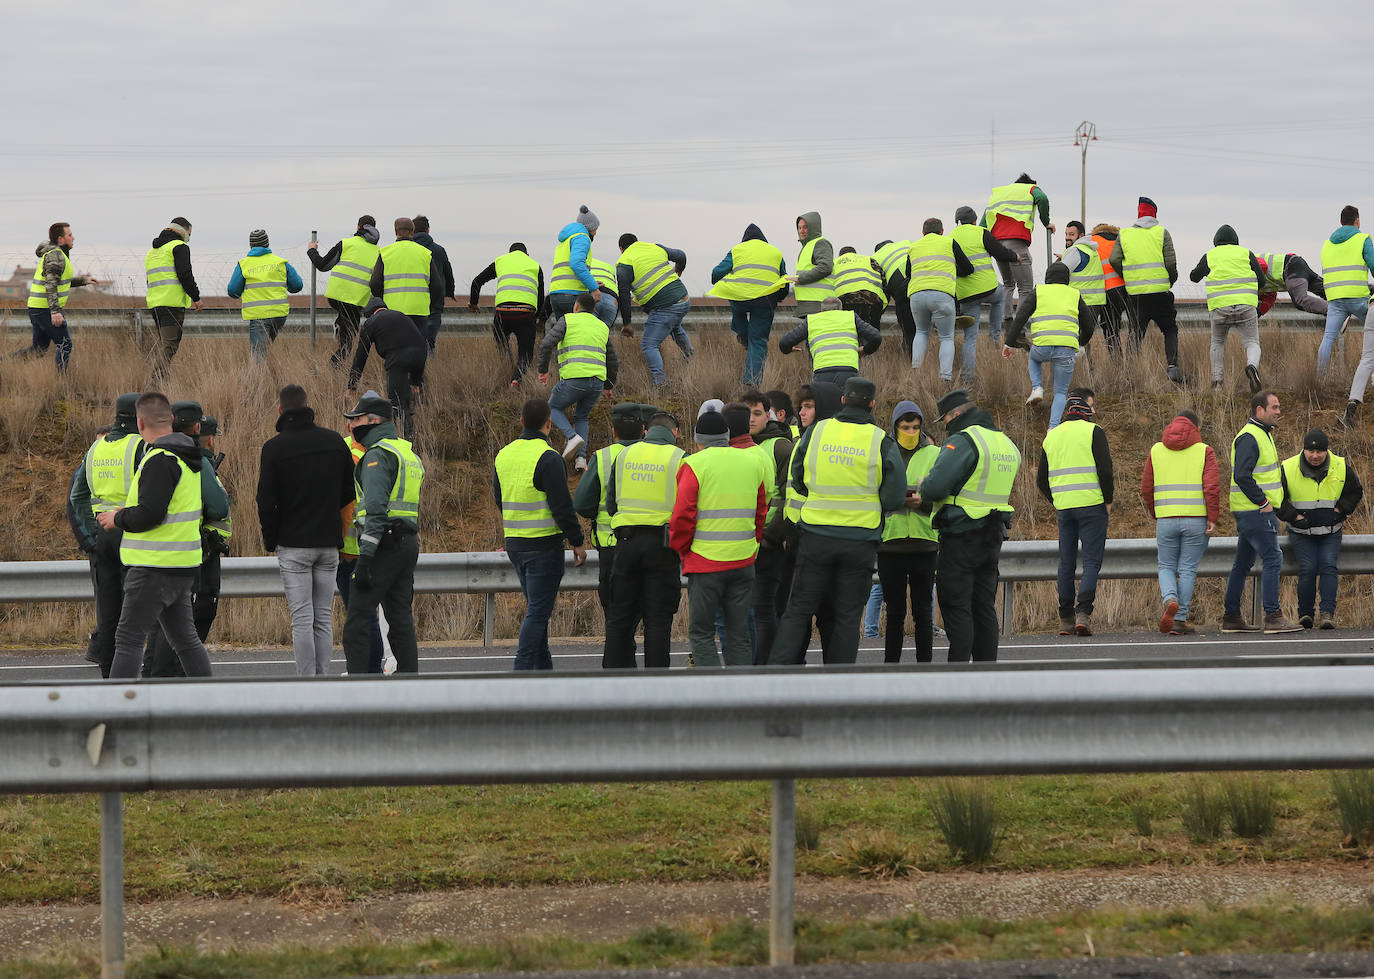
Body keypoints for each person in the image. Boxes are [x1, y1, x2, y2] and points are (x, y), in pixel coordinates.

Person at [768, 377, 905, 666]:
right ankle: (838, 688)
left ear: (843, 400)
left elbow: (799, 480)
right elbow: (894, 498)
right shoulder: (881, 440)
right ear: (872, 404)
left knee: (798, 610)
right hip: (860, 542)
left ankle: (775, 680)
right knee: (846, 617)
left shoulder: (816, 432)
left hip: (815, 537)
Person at [96, 393, 213, 680]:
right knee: (185, 641)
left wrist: (117, 517)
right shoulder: (187, 457)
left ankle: (117, 713)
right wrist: (131, 510)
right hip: (180, 565)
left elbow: (150, 514)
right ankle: (212, 703)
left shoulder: (160, 459)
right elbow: (167, 507)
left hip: (153, 566)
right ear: (171, 419)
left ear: (139, 423)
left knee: (128, 639)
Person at [913, 389, 1021, 662]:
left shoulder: (964, 440)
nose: (946, 426)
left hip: (962, 534)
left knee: (956, 605)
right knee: (984, 607)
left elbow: (936, 487)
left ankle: (958, 677)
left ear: (956, 414)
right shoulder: (1006, 444)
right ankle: (986, 676)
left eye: (946, 419)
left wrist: (923, 486)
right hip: (992, 535)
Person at [257, 384, 357, 676]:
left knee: (302, 618)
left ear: (280, 410)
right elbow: (348, 492)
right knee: (322, 618)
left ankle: (306, 683)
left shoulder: (274, 448)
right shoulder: (335, 441)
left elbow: (266, 501)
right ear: (307, 406)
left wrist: (271, 539)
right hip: (328, 543)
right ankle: (322, 680)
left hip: (293, 543)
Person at [494, 397, 588, 671]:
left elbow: (499, 499)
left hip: (515, 545)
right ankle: (521, 674)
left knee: (538, 613)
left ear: (522, 422)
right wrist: (578, 541)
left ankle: (545, 679)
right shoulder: (549, 459)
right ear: (550, 423)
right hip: (544, 548)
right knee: (537, 613)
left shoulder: (503, 455)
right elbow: (562, 507)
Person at [671, 404, 769, 668]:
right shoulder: (752, 462)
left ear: (698, 440)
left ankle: (713, 697)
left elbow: (682, 516)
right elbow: (761, 511)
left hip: (705, 564)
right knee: (739, 635)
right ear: (727, 436)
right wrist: (752, 544)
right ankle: (740, 699)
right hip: (743, 562)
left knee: (702, 634)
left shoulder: (693, 465)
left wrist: (683, 551)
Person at [141, 403, 231, 678]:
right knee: (192, 619)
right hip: (196, 554)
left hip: (159, 554)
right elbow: (218, 507)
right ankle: (174, 680)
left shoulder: (153, 454)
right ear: (200, 431)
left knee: (163, 621)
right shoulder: (195, 461)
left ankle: (154, 677)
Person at [342, 390, 425, 673]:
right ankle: (408, 689)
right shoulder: (406, 452)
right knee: (400, 619)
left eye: (356, 419)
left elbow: (376, 511)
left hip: (383, 546)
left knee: (357, 621)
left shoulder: (377, 455)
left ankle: (361, 694)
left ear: (373, 420)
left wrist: (364, 560)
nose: (352, 426)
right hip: (407, 543)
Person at [69, 393, 147, 677]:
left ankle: (108, 678)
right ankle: (134, 676)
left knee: (108, 611)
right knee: (134, 613)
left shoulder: (96, 448)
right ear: (139, 418)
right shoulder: (141, 446)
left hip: (103, 537)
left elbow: (77, 496)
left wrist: (91, 535)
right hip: (132, 534)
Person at [602, 411, 685, 668]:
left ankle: (614, 684)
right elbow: (686, 507)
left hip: (626, 544)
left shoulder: (625, 455)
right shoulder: (681, 458)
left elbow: (611, 503)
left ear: (646, 431)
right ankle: (656, 687)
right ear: (675, 433)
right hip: (663, 545)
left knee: (619, 619)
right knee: (658, 621)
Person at [1036, 391, 1113, 636]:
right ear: (1086, 413)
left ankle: (1066, 618)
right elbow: (1106, 471)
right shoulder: (1094, 432)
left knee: (1066, 562)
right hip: (1092, 505)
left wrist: (1057, 499)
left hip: (1065, 507)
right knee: (1091, 561)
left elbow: (1041, 480)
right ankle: (1084, 613)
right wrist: (1108, 501)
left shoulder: (1051, 436)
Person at [1223, 391, 1301, 634]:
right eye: (1274, 407)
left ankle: (1232, 617)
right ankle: (1273, 617)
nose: (1279, 411)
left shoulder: (1261, 434)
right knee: (1273, 558)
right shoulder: (1251, 436)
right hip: (1255, 511)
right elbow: (1242, 476)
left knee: (1243, 563)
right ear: (1260, 410)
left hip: (1252, 511)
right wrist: (1263, 502)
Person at [1141, 409, 1220, 636]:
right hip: (1196, 520)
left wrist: (1156, 511)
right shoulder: (1204, 451)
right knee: (1187, 569)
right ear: (1196, 428)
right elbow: (1212, 487)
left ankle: (1170, 599)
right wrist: (1212, 517)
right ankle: (1180, 618)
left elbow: (1146, 487)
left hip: (1166, 518)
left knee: (1165, 566)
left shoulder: (1156, 450)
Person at [573, 403, 650, 628]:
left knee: (616, 615)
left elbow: (582, 503)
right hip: (650, 544)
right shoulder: (657, 456)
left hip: (611, 546)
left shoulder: (603, 457)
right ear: (643, 429)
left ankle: (618, 655)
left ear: (614, 431)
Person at [1278, 429, 1364, 629]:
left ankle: (1327, 614)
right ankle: (1305, 615)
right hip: (1301, 532)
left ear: (1327, 451)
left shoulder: (1340, 466)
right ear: (1304, 450)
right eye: (1310, 451)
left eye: (1320, 451)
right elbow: (1276, 499)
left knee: (1328, 566)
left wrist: (1341, 508)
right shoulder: (1288, 467)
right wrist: (1294, 516)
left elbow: (1356, 491)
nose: (1315, 455)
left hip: (1331, 530)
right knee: (1307, 569)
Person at [877, 400, 940, 662]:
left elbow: (941, 496)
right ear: (895, 426)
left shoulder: (934, 454)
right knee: (895, 613)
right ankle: (890, 670)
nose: (911, 432)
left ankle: (924, 669)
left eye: (915, 427)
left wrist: (922, 503)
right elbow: (873, 493)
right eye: (905, 427)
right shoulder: (883, 451)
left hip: (924, 543)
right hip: (890, 543)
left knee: (924, 613)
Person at [1001, 262, 1094, 427]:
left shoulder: (1039, 292)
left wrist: (1009, 343)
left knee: (1034, 359)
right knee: (1060, 392)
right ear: (1067, 279)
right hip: (1066, 349)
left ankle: (1037, 388)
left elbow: (1020, 317)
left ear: (1047, 278)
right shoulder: (1074, 294)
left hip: (1042, 347)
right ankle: (1052, 427)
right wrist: (1080, 343)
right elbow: (1089, 325)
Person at [537, 292, 619, 470]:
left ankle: (572, 437)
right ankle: (581, 460)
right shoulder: (602, 326)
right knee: (582, 416)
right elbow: (613, 360)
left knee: (552, 408)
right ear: (594, 310)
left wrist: (543, 371)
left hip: (574, 379)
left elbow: (546, 344)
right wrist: (608, 386)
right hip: (596, 382)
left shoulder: (567, 320)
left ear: (576, 306)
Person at [1107, 197, 1183, 383]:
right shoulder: (1162, 233)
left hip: (1136, 294)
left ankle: (1132, 371)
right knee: (1170, 329)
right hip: (1160, 293)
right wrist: (1169, 280)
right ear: (1154, 214)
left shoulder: (1124, 234)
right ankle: (1172, 366)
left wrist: (1128, 277)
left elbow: (1114, 260)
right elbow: (1171, 263)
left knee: (1136, 331)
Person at [744, 391, 794, 661]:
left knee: (765, 609)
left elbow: (789, 496)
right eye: (747, 413)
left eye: (757, 413)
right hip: (743, 544)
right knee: (751, 611)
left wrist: (770, 537)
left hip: (768, 543)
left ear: (768, 415)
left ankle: (768, 669)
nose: (751, 419)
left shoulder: (780, 447)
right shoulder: (738, 446)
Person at [708, 223, 789, 387]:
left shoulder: (737, 250)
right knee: (758, 341)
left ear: (744, 239)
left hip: (740, 298)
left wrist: (728, 282)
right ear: (764, 239)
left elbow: (715, 274)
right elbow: (784, 282)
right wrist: (776, 300)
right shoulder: (775, 252)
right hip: (765, 300)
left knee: (736, 305)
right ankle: (751, 382)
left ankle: (743, 334)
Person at [1188, 225, 1265, 391]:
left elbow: (1194, 277)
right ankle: (1252, 366)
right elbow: (1262, 281)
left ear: (1216, 241)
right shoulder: (1246, 253)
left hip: (1220, 308)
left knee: (1217, 342)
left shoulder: (1210, 255)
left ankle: (1217, 382)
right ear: (1236, 241)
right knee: (1252, 342)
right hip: (1246, 306)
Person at [338, 420, 386, 673]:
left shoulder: (355, 453)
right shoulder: (379, 450)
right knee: (365, 614)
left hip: (352, 547)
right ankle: (369, 669)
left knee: (361, 615)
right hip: (368, 543)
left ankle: (367, 671)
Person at [21, 221, 101, 369]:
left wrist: (84, 280)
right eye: (70, 235)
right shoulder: (56, 255)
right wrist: (55, 312)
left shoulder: (58, 254)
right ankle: (62, 384)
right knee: (65, 345)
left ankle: (5, 364)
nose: (73, 238)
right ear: (60, 239)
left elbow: (60, 281)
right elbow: (50, 284)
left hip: (38, 308)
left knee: (38, 350)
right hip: (45, 309)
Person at [617, 233, 693, 385]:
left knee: (649, 345)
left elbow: (624, 297)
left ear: (621, 249)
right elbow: (681, 255)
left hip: (667, 307)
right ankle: (692, 360)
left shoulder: (624, 263)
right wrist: (678, 270)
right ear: (637, 242)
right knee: (675, 328)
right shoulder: (654, 248)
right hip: (684, 300)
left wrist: (627, 324)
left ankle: (660, 384)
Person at [347, 297, 428, 439]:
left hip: (398, 359)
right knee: (405, 400)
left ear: (369, 314)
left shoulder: (371, 323)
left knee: (396, 403)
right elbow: (419, 342)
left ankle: (408, 440)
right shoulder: (400, 315)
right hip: (420, 355)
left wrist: (352, 385)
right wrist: (416, 380)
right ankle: (411, 421)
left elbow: (361, 355)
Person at [1323, 206, 1374, 427]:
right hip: (1360, 298)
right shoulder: (1363, 239)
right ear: (1357, 220)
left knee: (1366, 356)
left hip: (1342, 299)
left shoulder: (1327, 243)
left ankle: (1347, 403)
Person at [907, 218, 976, 381]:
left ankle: (916, 370)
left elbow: (908, 273)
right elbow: (968, 268)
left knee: (921, 332)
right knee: (946, 338)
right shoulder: (949, 242)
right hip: (942, 295)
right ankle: (945, 378)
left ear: (923, 233)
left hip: (916, 295)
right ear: (942, 231)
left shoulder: (913, 246)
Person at [307, 216, 381, 368]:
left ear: (358, 227)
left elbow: (323, 265)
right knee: (348, 342)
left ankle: (339, 325)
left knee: (346, 331)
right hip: (357, 300)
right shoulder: (379, 252)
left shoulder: (346, 243)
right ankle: (333, 367)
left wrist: (312, 250)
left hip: (336, 295)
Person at [468, 242, 545, 387]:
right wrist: (537, 318)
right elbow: (540, 297)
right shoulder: (535, 265)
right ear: (527, 255)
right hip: (525, 314)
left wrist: (473, 303)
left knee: (503, 346)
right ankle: (515, 380)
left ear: (509, 253)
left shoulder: (501, 261)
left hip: (502, 314)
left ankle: (507, 369)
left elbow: (477, 282)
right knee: (525, 354)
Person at [981, 173, 1054, 320]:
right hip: (1016, 242)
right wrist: (1046, 222)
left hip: (996, 244)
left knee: (1008, 284)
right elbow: (1043, 199)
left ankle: (1007, 321)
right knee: (1025, 288)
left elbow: (984, 222)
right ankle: (1018, 329)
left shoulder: (1000, 193)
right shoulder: (1031, 189)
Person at [953, 206, 1018, 368]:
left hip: (965, 295)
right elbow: (1001, 253)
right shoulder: (981, 232)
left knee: (970, 338)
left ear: (957, 222)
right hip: (988, 289)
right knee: (1002, 295)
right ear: (975, 220)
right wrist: (1015, 256)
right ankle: (994, 338)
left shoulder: (950, 237)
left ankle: (968, 378)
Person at [227, 229, 303, 361]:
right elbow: (297, 286)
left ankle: (258, 381)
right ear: (267, 243)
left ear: (251, 245)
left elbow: (233, 291)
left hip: (258, 316)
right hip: (279, 315)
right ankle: (269, 376)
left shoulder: (244, 264)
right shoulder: (281, 262)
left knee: (258, 356)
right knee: (265, 349)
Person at [143, 217, 202, 377]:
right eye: (189, 233)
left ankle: (164, 385)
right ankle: (154, 382)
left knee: (165, 346)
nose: (189, 238)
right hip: (171, 304)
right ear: (183, 230)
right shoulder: (179, 247)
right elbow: (185, 274)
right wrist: (196, 297)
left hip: (155, 304)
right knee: (170, 347)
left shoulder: (153, 251)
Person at [777, 297, 881, 387]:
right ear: (841, 309)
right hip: (848, 370)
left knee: (824, 407)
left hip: (822, 371)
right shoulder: (850, 316)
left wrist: (788, 350)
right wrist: (865, 350)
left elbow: (784, 343)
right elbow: (876, 337)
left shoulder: (812, 320)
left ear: (821, 310)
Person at [369, 217, 446, 335]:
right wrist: (428, 305)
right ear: (412, 232)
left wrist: (384, 301)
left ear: (395, 232)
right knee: (418, 347)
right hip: (419, 310)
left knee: (395, 347)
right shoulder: (425, 253)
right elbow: (437, 286)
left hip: (392, 310)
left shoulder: (385, 253)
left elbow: (374, 283)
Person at [549, 205, 605, 322]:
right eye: (595, 229)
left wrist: (591, 282)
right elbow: (576, 264)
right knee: (578, 333)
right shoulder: (582, 238)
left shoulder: (566, 240)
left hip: (556, 294)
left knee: (564, 333)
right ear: (590, 227)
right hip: (571, 295)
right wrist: (594, 288)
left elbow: (568, 270)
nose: (595, 233)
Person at [411, 215, 455, 354]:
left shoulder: (407, 251)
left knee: (411, 337)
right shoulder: (439, 250)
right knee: (429, 340)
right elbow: (448, 273)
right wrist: (449, 292)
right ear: (428, 230)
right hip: (435, 298)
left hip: (412, 298)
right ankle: (428, 365)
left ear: (412, 231)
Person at [1058, 220, 1104, 345]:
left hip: (1079, 304)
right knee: (1083, 341)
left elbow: (1059, 274)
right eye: (1066, 234)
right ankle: (1087, 364)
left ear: (1081, 236)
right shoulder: (1092, 251)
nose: (1067, 238)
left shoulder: (1074, 251)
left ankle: (1078, 364)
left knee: (1073, 341)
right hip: (1095, 303)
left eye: (1071, 234)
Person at [1088, 223, 1130, 353]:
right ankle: (1129, 361)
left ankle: (1116, 361)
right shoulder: (1122, 240)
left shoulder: (1092, 242)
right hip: (1124, 289)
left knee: (1109, 329)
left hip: (1103, 290)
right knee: (1119, 327)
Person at [872, 239, 916, 353]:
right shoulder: (906, 242)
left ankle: (910, 354)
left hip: (901, 286)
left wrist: (878, 313)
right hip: (921, 280)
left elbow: (882, 291)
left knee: (908, 327)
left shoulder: (875, 258)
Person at [787, 211, 834, 317]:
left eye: (805, 227)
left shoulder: (820, 243)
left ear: (813, 228)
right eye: (799, 228)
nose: (801, 231)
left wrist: (800, 279)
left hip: (818, 303)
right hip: (809, 304)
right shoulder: (807, 246)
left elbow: (826, 267)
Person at [1256, 250, 1327, 318]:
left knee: (1300, 301)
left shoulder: (1246, 264)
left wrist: (1256, 284)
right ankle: (1335, 308)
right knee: (1328, 292)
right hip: (1294, 265)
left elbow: (1263, 265)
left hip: (1290, 267)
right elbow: (1270, 296)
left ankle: (1334, 311)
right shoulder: (1254, 286)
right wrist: (1258, 313)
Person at [833, 247, 886, 331]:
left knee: (848, 331)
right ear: (855, 254)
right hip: (871, 298)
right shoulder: (869, 260)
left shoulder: (834, 263)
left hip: (845, 300)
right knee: (872, 332)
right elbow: (883, 280)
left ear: (840, 255)